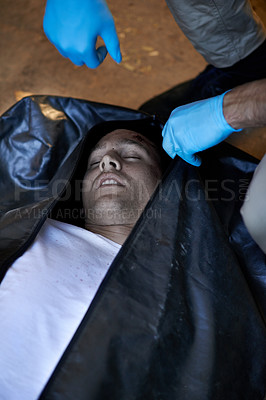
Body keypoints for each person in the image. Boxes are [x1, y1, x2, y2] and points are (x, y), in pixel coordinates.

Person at [0, 127, 162, 400]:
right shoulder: (28, 229)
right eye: (94, 162)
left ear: (165, 183)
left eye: (133, 155)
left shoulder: (179, 282)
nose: (108, 161)